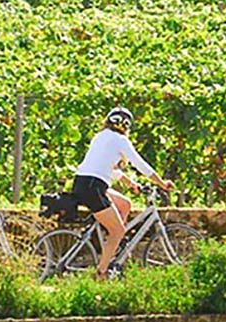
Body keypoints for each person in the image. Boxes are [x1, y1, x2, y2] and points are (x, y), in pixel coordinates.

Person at [73, 107, 174, 279]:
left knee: (125, 204)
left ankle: (112, 246)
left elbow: (104, 166)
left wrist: (130, 183)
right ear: (127, 126)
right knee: (118, 230)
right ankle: (101, 273)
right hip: (94, 187)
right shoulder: (120, 140)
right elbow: (140, 164)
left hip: (85, 183)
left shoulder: (100, 136)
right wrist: (161, 183)